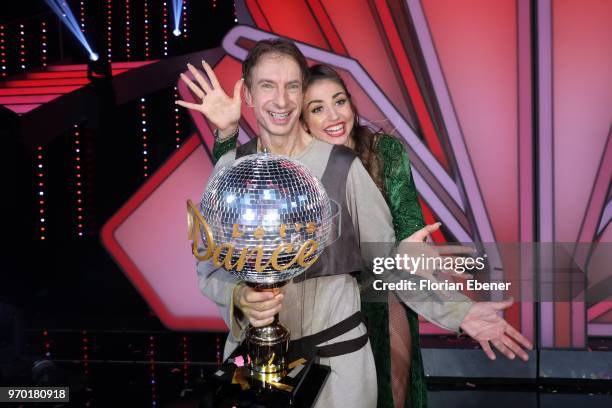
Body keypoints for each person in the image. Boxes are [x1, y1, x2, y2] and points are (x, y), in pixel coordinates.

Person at [179, 39, 532, 408]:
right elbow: (210, 268)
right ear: (248, 94)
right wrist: (239, 298)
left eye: (292, 86)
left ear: (302, 94)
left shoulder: (343, 168)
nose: (281, 101)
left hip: (337, 367)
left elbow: (387, 264)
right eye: (268, 86)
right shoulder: (232, 169)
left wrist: (460, 311)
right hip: (253, 367)